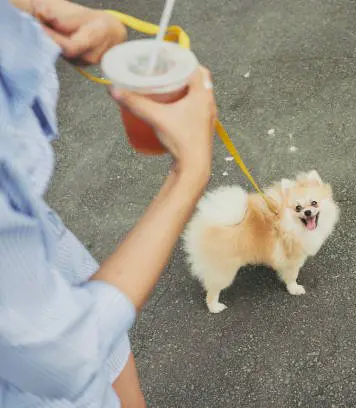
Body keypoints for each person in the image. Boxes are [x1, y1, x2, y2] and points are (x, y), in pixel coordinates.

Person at [0, 0, 217, 406]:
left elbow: (103, 341)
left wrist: (33, 15)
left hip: (39, 236)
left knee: (111, 346)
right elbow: (66, 353)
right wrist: (189, 174)